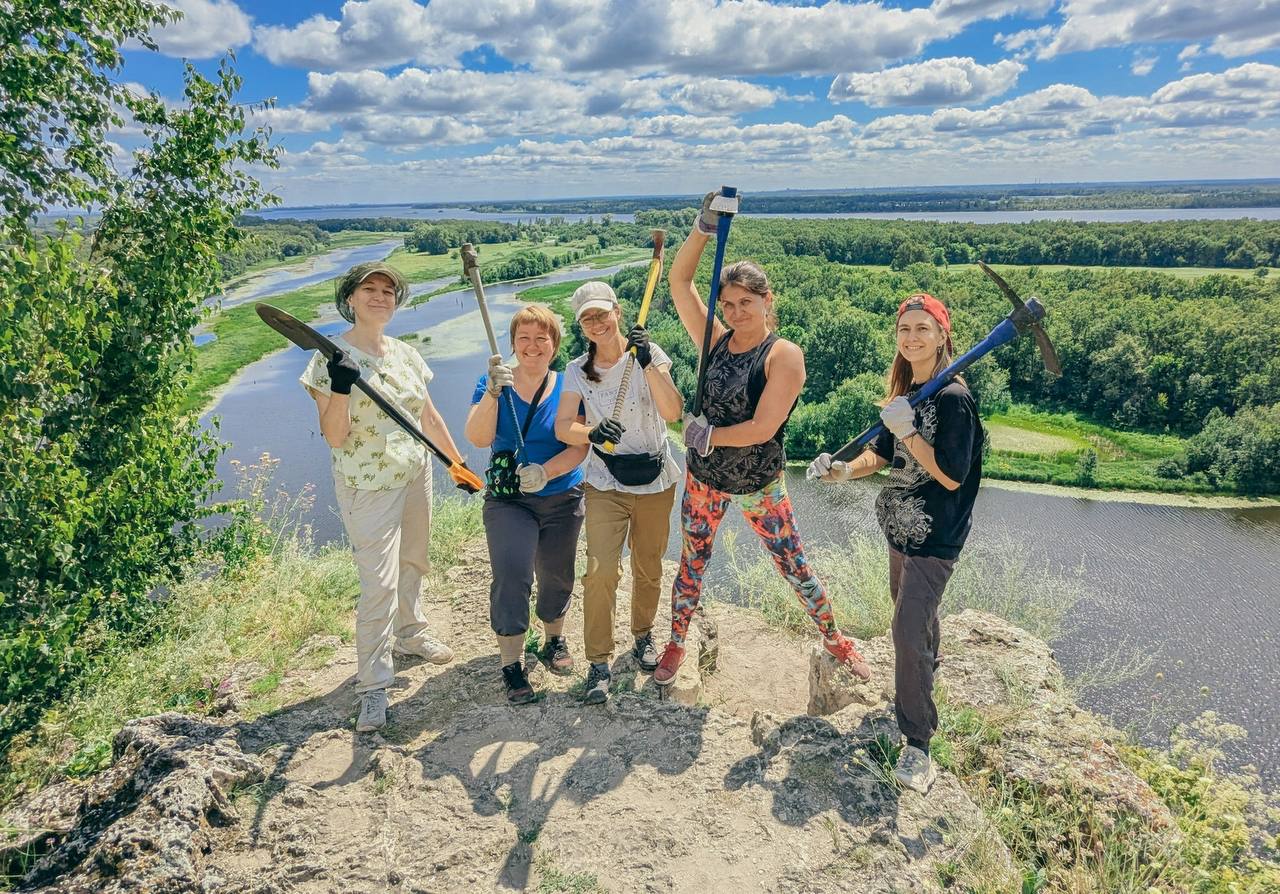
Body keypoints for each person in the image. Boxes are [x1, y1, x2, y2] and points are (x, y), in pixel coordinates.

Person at [654, 190, 873, 688]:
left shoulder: (783, 355)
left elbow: (763, 428)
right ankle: (677, 642)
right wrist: (703, 225)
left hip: (758, 482)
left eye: (745, 303)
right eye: (727, 304)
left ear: (766, 300)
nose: (734, 312)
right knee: (692, 562)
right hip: (705, 481)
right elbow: (679, 280)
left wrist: (708, 434)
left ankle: (835, 639)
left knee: (793, 564)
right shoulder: (715, 342)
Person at [808, 293, 984, 794]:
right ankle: (924, 674)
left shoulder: (952, 399)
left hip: (936, 536)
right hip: (900, 529)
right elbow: (878, 455)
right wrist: (843, 470)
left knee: (905, 631)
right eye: (904, 329)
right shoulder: (909, 392)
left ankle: (918, 742)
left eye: (922, 329)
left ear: (942, 335)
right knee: (915, 621)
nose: (912, 338)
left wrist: (908, 432)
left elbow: (951, 476)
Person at [300, 262, 464, 733]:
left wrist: (456, 464)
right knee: (379, 584)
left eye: (388, 290)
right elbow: (334, 436)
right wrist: (339, 385)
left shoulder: (406, 354)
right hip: (367, 485)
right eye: (368, 289)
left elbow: (427, 418)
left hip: (414, 474)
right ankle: (373, 685)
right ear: (350, 298)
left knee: (414, 561)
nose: (379, 296)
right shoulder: (327, 359)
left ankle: (410, 633)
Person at [555, 282, 683, 704]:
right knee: (601, 569)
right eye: (587, 318)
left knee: (649, 565)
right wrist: (591, 431)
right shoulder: (577, 369)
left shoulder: (649, 353)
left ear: (618, 311)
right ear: (581, 325)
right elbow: (563, 428)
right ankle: (598, 661)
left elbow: (673, 411)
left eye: (601, 314)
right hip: (606, 481)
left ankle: (643, 636)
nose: (596, 323)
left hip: (655, 478)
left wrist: (647, 363)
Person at [465, 305, 588, 704]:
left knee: (557, 573)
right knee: (512, 572)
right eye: (524, 338)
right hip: (509, 500)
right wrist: (492, 395)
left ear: (554, 343)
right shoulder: (493, 383)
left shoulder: (569, 386)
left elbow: (578, 447)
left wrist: (546, 472)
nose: (533, 346)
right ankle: (512, 662)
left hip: (561, 495)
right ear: (513, 343)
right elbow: (478, 438)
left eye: (542, 338)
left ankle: (554, 640)